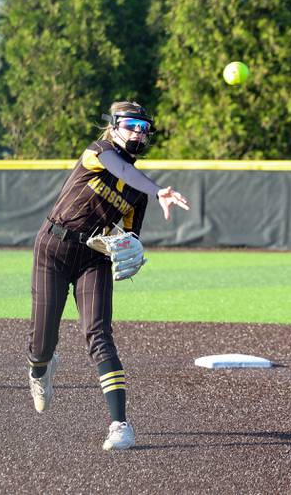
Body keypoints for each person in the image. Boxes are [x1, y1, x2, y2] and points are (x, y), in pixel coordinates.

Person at [26, 101, 190, 451]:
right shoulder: (98, 152)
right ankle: (42, 368)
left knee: (99, 335)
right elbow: (123, 170)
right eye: (130, 124)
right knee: (41, 345)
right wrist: (158, 189)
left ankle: (120, 424)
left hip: (94, 257)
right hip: (53, 248)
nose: (137, 132)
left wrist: (131, 245)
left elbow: (127, 236)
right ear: (114, 126)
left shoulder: (138, 194)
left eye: (143, 128)